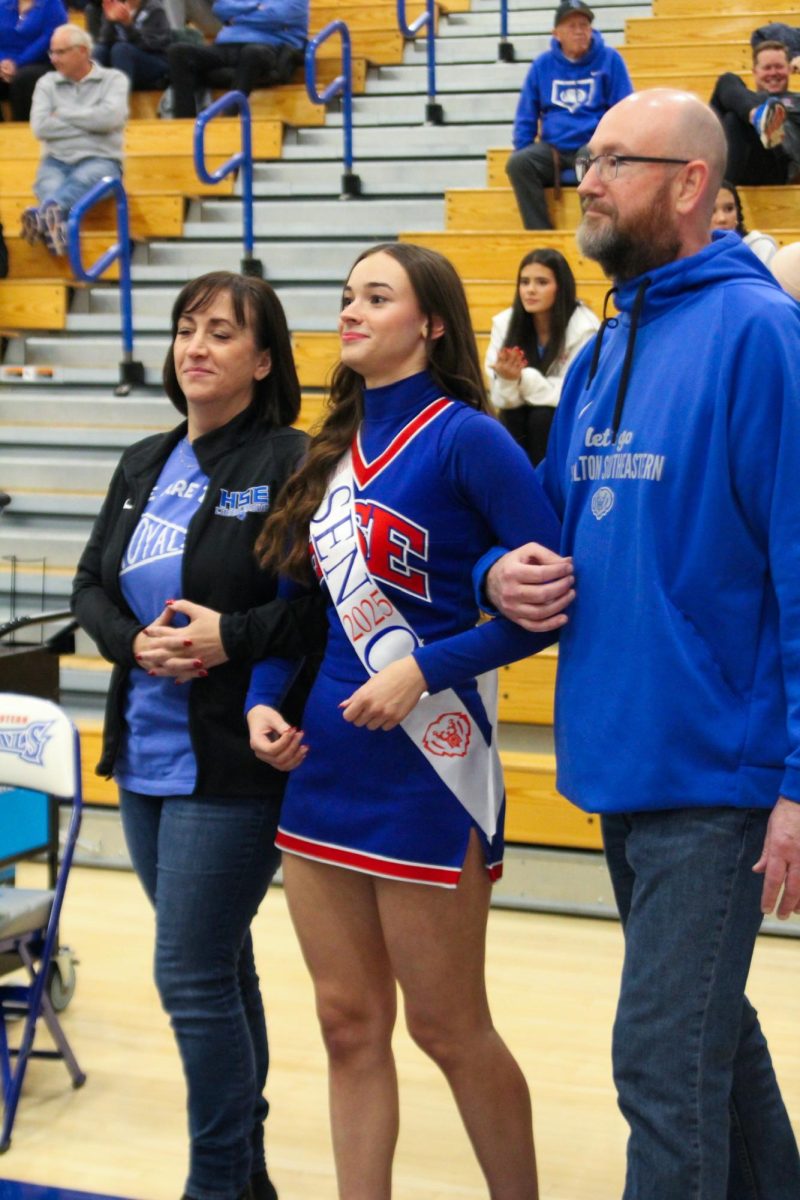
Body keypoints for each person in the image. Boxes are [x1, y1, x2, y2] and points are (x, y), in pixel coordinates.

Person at [479, 89, 800, 1198]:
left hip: (717, 773)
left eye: (616, 160)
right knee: (713, 1038)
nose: (588, 180)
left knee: (658, 1066)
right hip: (620, 755)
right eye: (587, 158)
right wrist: (490, 571)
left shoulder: (760, 334)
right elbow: (549, 529)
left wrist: (797, 783)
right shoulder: (607, 341)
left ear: (690, 184)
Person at [246, 242, 562, 1200]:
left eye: (375, 296)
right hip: (324, 767)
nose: (351, 309)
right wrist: (264, 699)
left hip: (431, 765)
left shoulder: (471, 437)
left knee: (448, 1028)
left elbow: (548, 606)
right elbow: (296, 612)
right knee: (347, 1023)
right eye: (346, 294)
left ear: (429, 324)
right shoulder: (323, 451)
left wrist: (424, 669)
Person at [72, 271, 327, 1200]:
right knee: (220, 965)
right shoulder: (143, 460)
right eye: (187, 329)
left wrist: (231, 638)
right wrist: (130, 641)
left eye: (222, 333)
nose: (196, 347)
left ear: (263, 362)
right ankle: (249, 1180)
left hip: (231, 763)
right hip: (142, 757)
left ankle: (215, 1182)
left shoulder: (292, 461)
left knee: (186, 974)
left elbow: (313, 616)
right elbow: (89, 589)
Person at [505, 0, 632, 230]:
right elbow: (526, 116)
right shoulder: (541, 65)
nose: (579, 31)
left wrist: (613, 148)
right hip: (553, 150)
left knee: (588, 159)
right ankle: (540, 236)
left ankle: (592, 232)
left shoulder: (610, 59)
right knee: (519, 163)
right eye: (571, 26)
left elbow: (624, 111)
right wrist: (523, 146)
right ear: (556, 33)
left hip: (591, 148)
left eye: (584, 25)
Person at [485, 247, 599, 464]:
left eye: (541, 282)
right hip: (518, 417)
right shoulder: (504, 323)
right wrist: (508, 381)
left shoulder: (586, 327)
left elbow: (573, 393)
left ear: (561, 287)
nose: (530, 290)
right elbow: (502, 400)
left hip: (570, 419)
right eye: (524, 282)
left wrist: (521, 378)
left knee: (542, 417)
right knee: (510, 417)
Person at [22, 23, 128, 254]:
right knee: (46, 185)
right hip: (55, 160)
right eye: (52, 52)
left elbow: (108, 120)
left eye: (60, 52)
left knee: (82, 180)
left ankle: (45, 216)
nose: (53, 59)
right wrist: (89, 122)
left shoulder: (113, 80)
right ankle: (56, 227)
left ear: (82, 51)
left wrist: (61, 114)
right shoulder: (46, 83)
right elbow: (41, 127)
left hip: (101, 159)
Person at [165, 0, 306, 119]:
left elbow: (277, 15)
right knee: (178, 52)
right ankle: (185, 123)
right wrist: (256, 7)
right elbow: (220, 8)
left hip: (271, 45)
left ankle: (228, 116)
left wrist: (238, 15)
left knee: (252, 52)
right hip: (228, 43)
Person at [710, 39, 800, 185]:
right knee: (728, 80)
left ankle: (723, 190)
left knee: (741, 113)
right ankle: (758, 116)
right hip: (744, 161)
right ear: (755, 72)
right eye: (767, 68)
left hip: (780, 163)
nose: (773, 73)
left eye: (779, 67)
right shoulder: (737, 99)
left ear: (789, 69)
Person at [0, 0, 65, 121]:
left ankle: (22, 130)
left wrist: (17, 63)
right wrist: (2, 61)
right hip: (6, 63)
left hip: (41, 62)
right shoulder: (3, 4)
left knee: (23, 78)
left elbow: (49, 39)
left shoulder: (52, 4)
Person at [93, 0, 170, 91]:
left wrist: (128, 25)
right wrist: (110, 21)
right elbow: (105, 41)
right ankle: (92, 97)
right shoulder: (115, 6)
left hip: (155, 61)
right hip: (123, 59)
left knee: (121, 49)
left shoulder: (154, 9)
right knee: (99, 50)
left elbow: (151, 45)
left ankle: (119, 98)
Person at [710, 178, 778, 264]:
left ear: (738, 213)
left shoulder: (760, 248)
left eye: (729, 209)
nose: (722, 219)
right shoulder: (690, 252)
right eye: (711, 211)